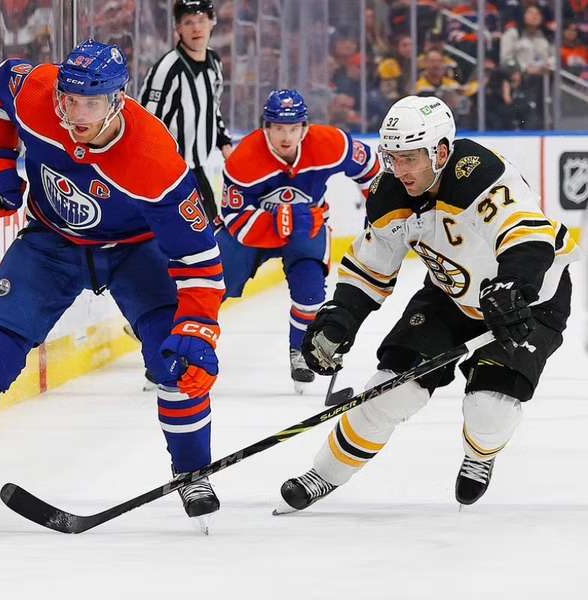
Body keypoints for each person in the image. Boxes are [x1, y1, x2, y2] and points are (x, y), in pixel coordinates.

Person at [0, 40, 225, 532]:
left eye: (92, 103)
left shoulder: (153, 159)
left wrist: (198, 329)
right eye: (71, 100)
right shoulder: (40, 94)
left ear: (118, 100)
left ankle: (193, 472)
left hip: (134, 250)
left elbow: (197, 258)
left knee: (173, 359)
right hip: (52, 242)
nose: (77, 113)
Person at [276, 96, 580, 513]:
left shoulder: (479, 173)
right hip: (450, 295)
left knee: (488, 407)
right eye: (392, 157)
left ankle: (480, 455)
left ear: (439, 151)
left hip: (528, 299)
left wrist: (513, 285)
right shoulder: (388, 194)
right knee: (389, 391)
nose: (399, 171)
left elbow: (527, 235)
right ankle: (323, 474)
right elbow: (370, 268)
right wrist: (340, 318)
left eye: (410, 158)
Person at [216, 89, 380, 393]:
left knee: (311, 293)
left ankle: (300, 352)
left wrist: (380, 210)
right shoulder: (242, 160)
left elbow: (371, 168)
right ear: (266, 127)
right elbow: (234, 218)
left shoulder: (330, 143)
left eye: (293, 128)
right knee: (213, 284)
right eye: (278, 128)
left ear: (305, 127)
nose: (286, 137)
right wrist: (283, 221)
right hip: (253, 231)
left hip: (307, 225)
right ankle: (176, 340)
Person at [139, 0, 233, 223]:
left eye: (201, 20)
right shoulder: (167, 69)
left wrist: (225, 144)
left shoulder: (214, 62)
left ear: (212, 23)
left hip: (196, 168)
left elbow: (213, 108)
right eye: (188, 22)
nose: (196, 28)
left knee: (209, 233)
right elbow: (146, 124)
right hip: (168, 173)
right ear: (178, 28)